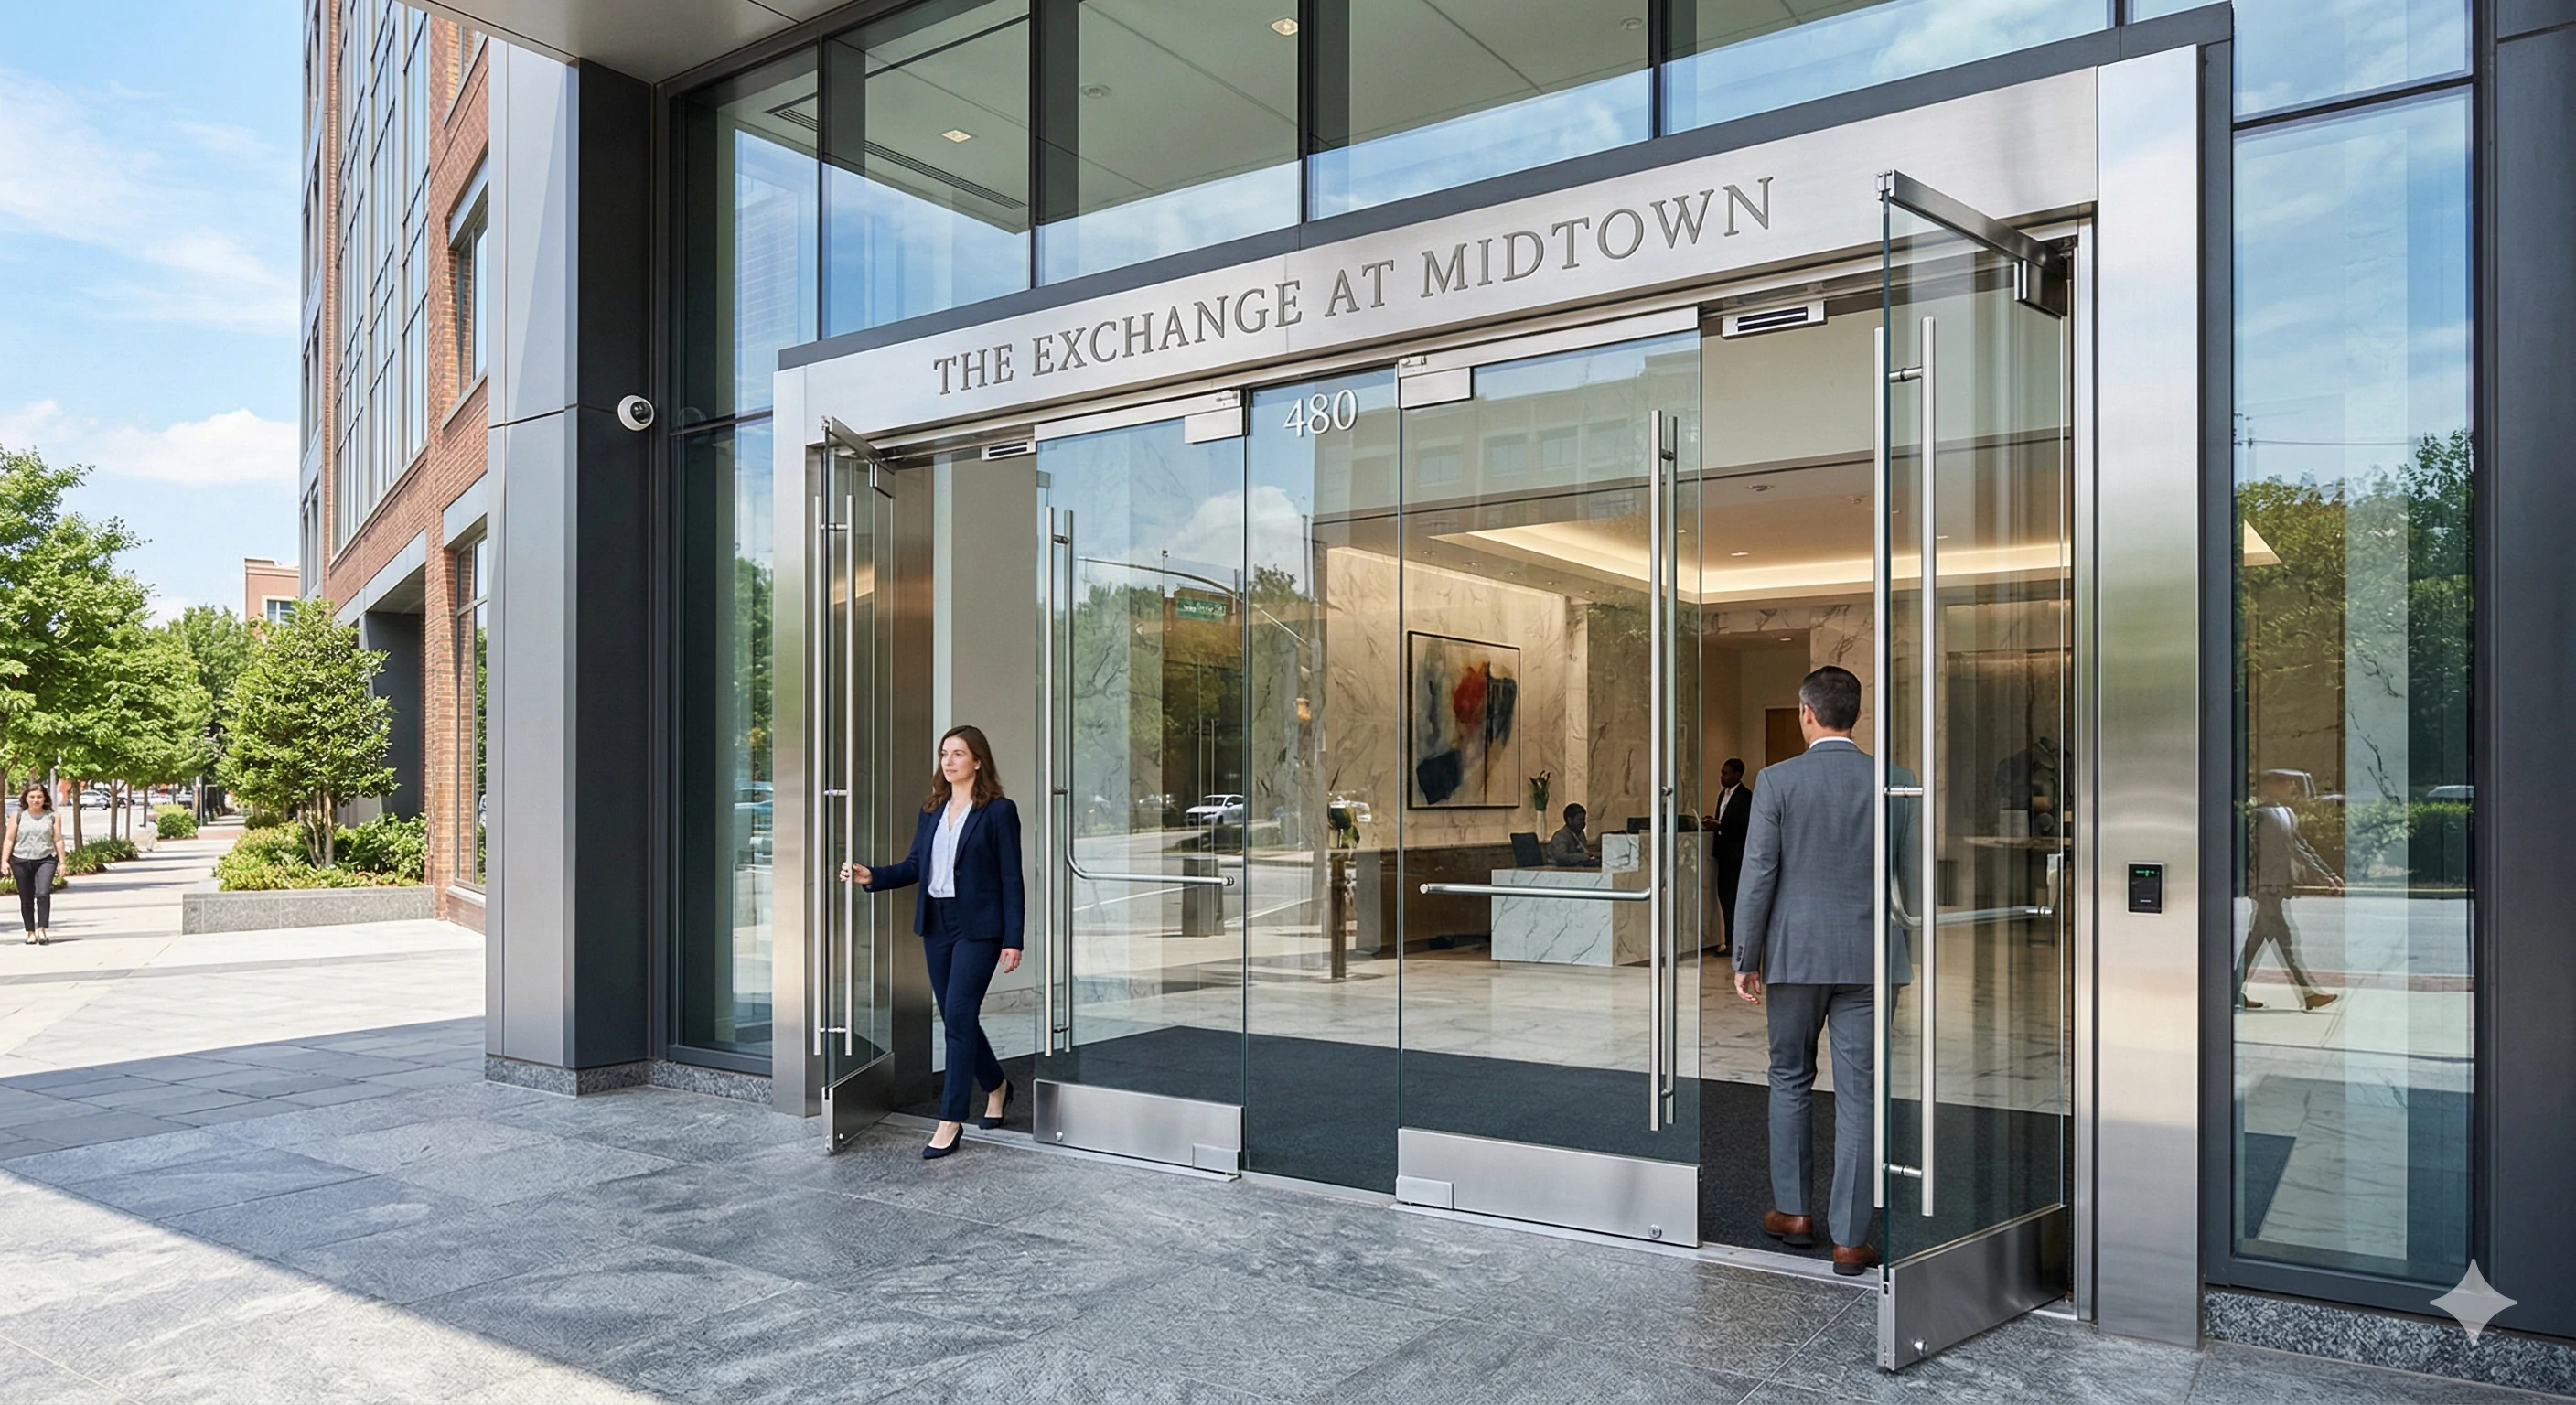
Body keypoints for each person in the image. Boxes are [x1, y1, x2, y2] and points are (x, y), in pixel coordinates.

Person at [1731, 666, 1911, 1275]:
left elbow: (1758, 875)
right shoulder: (1896, 781)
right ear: (1854, 715)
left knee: (1788, 1076)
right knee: (1860, 1094)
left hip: (1796, 955)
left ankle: (1794, 1211)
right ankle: (1850, 1240)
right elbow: (1905, 882)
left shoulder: (1778, 781)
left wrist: (1745, 957)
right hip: (1868, 958)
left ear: (1806, 713)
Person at [843, 725, 1025, 1159]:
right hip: (937, 923)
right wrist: (875, 876)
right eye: (944, 753)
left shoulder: (999, 811)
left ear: (978, 761)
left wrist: (1014, 938)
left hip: (979, 928)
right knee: (957, 1018)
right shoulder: (932, 810)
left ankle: (951, 1119)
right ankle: (997, 1086)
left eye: (959, 754)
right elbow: (914, 866)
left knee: (960, 1014)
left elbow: (1011, 878)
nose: (948, 761)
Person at [2238, 769, 2339, 1011]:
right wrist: (2253, 885)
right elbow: (2248, 854)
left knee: (2257, 943)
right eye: (2286, 782)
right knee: (2284, 942)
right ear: (2270, 785)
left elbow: (2299, 848)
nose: (2291, 787)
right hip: (2266, 889)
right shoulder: (2258, 816)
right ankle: (2309, 994)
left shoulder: (2286, 813)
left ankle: (2230, 991)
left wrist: (2327, 875)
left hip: (2277, 887)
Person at [7, 784, 67, 946]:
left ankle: (42, 930)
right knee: (26, 897)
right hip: (20, 860)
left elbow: (58, 839)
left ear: (45, 798)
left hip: (45, 859)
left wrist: (62, 862)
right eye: (32, 797)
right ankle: (30, 932)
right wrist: (4, 861)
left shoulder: (53, 816)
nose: (36, 800)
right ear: (26, 798)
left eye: (39, 797)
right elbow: (9, 839)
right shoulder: (17, 815)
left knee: (43, 893)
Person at [1709, 758, 1752, 955]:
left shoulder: (1745, 797)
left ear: (1737, 775)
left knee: (1735, 899)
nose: (1722, 777)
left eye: (1725, 773)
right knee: (1725, 898)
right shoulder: (1722, 795)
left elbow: (1744, 826)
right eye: (1721, 772)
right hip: (1723, 854)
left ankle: (1736, 943)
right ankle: (1727, 940)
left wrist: (1721, 827)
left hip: (1736, 855)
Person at [1542, 802, 1594, 866]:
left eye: (1583, 819)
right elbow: (1561, 858)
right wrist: (1583, 857)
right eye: (1579, 820)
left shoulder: (1581, 834)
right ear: (1570, 820)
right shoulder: (1560, 836)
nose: (1582, 822)